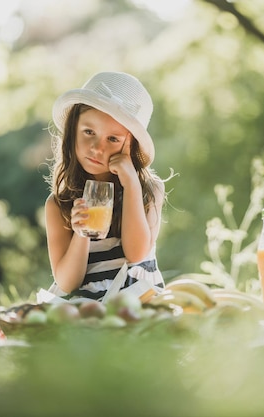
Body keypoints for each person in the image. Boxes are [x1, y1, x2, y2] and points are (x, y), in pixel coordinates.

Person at [44, 71, 166, 301]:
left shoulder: (149, 191)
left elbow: (136, 253)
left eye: (113, 139)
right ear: (72, 130)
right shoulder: (58, 205)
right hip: (85, 306)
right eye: (89, 132)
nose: (97, 148)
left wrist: (131, 185)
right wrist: (81, 233)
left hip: (138, 301)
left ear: (131, 146)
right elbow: (67, 283)